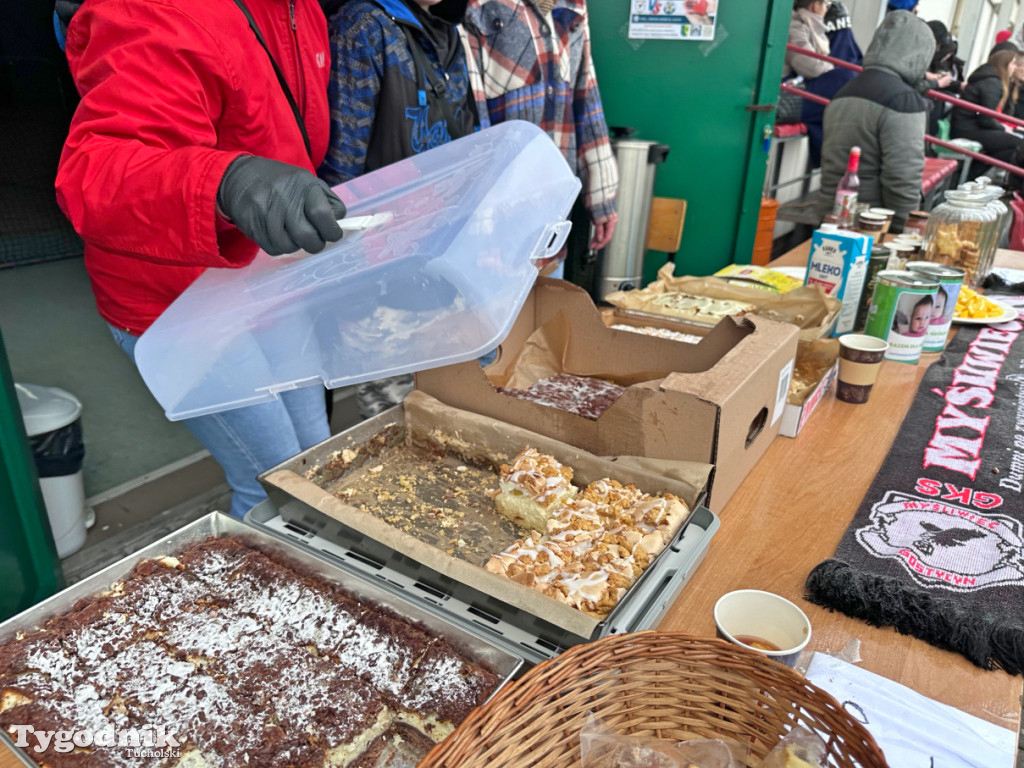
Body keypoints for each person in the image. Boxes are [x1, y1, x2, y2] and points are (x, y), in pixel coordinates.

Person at [54, 0, 346, 520]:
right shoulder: (148, 10)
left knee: (316, 457)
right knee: (274, 486)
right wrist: (227, 181)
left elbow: (290, 135)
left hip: (267, 277)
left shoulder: (303, 10)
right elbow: (94, 174)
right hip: (176, 303)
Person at [319, 0, 477, 419]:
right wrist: (350, 287)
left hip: (444, 262)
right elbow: (340, 172)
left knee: (459, 408)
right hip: (381, 275)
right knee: (395, 420)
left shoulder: (447, 29)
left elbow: (470, 145)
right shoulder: (362, 28)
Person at [460, 0, 619, 268]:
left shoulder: (573, 5)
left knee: (547, 305)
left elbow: (585, 92)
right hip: (497, 230)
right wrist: (482, 229)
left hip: (552, 221)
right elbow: (473, 119)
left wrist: (603, 195)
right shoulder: (480, 6)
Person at [817, 11, 934, 232]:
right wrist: (904, 231)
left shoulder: (844, 92)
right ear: (920, 54)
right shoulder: (903, 100)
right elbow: (903, 177)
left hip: (831, 218)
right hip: (873, 228)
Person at [799, 1, 863, 166]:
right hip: (795, 89)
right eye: (825, 5)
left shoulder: (814, 22)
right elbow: (810, 66)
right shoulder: (798, 23)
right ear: (815, 6)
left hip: (811, 86)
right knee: (848, 80)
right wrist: (835, 72)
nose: (828, 8)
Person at [951, 46, 1023, 178]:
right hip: (968, 129)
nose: (1014, 67)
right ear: (1004, 64)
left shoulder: (990, 79)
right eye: (1012, 63)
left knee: (1011, 151)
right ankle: (970, 177)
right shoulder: (992, 82)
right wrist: (1003, 128)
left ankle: (969, 177)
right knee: (1019, 145)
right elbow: (986, 117)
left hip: (967, 127)